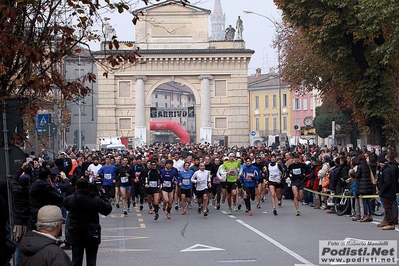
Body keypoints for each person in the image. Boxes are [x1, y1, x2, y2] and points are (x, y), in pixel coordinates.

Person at [63, 178, 112, 266]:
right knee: (91, 260)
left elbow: (66, 205)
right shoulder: (94, 199)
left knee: (76, 260)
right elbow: (107, 209)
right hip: (91, 232)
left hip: (76, 232)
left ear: (76, 187)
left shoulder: (71, 199)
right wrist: (103, 195)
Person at [378, 154, 398, 230]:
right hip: (390, 191)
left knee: (388, 208)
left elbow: (387, 182)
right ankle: (389, 221)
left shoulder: (386, 171)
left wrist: (382, 190)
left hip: (388, 192)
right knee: (388, 207)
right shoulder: (389, 169)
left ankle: (390, 223)